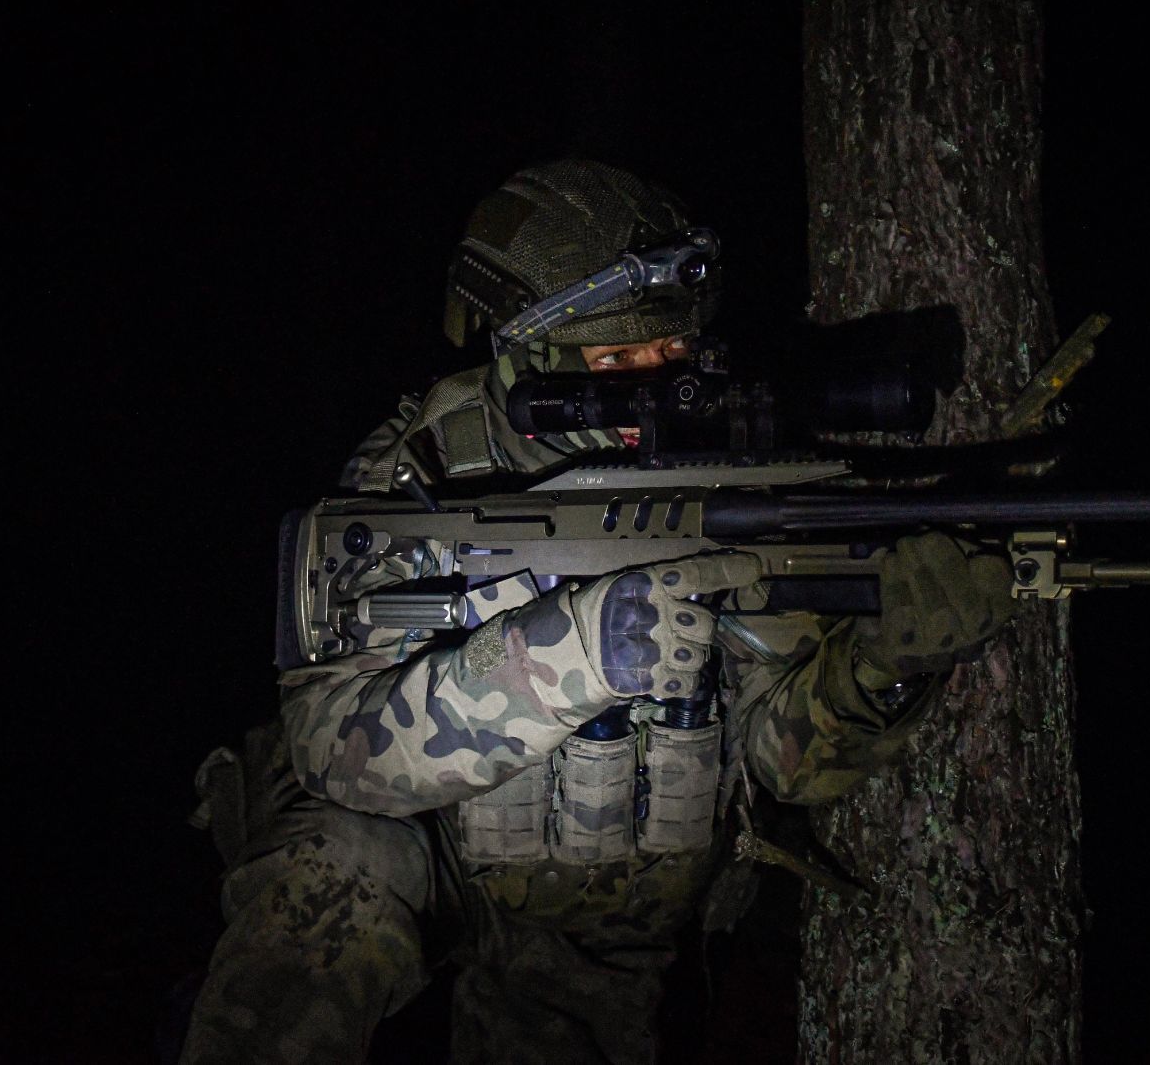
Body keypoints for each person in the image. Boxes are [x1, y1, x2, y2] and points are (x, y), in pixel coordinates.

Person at [181, 159, 1017, 1064]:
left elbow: (785, 760)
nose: (656, 385)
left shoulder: (730, 467)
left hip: (610, 899)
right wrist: (574, 655)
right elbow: (334, 750)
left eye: (673, 351)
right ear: (526, 351)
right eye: (616, 361)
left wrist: (880, 667)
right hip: (426, 848)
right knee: (326, 882)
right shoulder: (422, 469)